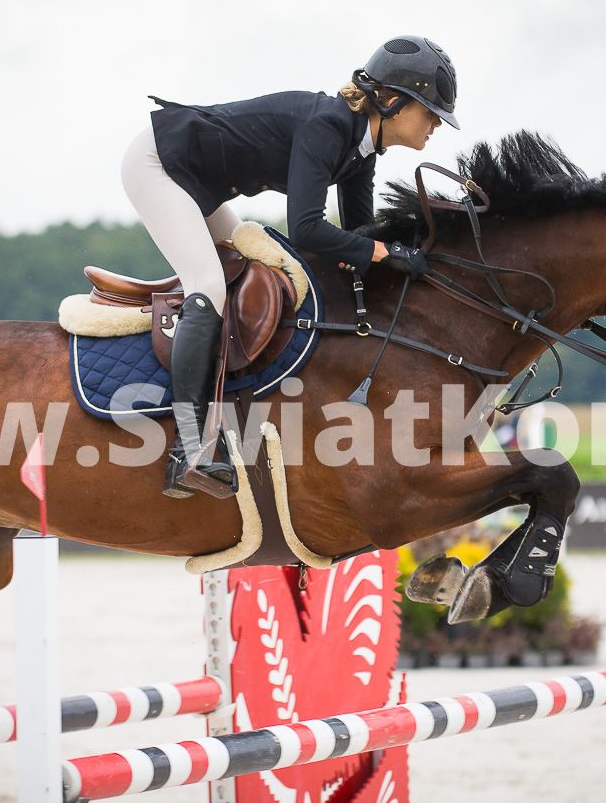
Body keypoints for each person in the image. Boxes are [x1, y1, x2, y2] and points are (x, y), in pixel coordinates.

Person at [120, 36, 459, 499]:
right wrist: (386, 253)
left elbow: (358, 236)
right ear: (393, 101)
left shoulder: (361, 150)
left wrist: (404, 254)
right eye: (431, 111)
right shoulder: (327, 126)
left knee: (254, 269)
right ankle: (190, 449)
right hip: (160, 164)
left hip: (200, 184)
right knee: (209, 284)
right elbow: (306, 229)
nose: (436, 124)